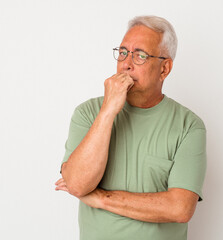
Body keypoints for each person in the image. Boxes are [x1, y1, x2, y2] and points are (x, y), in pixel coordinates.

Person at [55, 15, 207, 240]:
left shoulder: (189, 126)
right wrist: (107, 111)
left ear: (164, 69)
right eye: (123, 52)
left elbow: (180, 208)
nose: (126, 63)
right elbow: (77, 184)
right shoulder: (87, 113)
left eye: (140, 56)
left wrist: (102, 199)